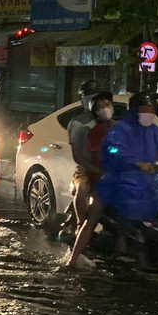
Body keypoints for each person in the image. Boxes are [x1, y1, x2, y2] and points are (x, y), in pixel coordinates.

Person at [95, 91, 158, 234]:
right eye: (145, 110)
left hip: (148, 179)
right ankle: (121, 244)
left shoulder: (154, 131)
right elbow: (113, 149)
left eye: (152, 110)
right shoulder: (121, 129)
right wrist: (135, 163)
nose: (149, 113)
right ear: (135, 110)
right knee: (126, 204)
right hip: (122, 177)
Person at [64, 92, 117, 270]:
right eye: (101, 106)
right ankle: (73, 259)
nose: (106, 108)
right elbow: (86, 156)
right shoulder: (86, 128)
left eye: (108, 104)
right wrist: (102, 169)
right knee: (90, 207)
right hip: (90, 172)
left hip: (116, 175)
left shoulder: (121, 128)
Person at [67, 81, 104, 232]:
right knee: (82, 189)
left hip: (108, 168)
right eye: (88, 96)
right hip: (85, 169)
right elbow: (77, 156)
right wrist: (95, 169)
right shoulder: (77, 123)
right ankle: (80, 226)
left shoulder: (107, 121)